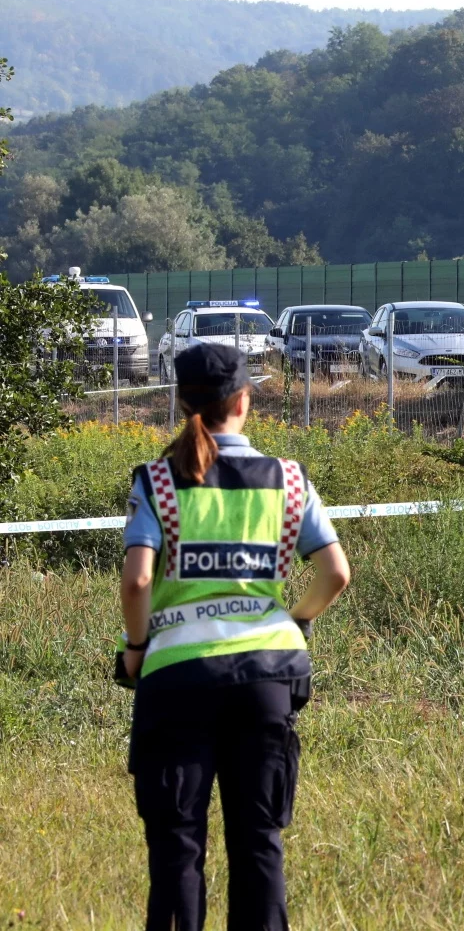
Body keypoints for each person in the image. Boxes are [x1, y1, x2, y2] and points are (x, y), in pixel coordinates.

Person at [120, 343, 351, 931]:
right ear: (245, 400)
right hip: (267, 679)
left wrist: (136, 649)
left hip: (176, 682)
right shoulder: (289, 481)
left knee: (177, 847)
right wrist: (293, 622)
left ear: (180, 401)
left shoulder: (158, 482)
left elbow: (139, 578)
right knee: (258, 840)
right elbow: (336, 574)